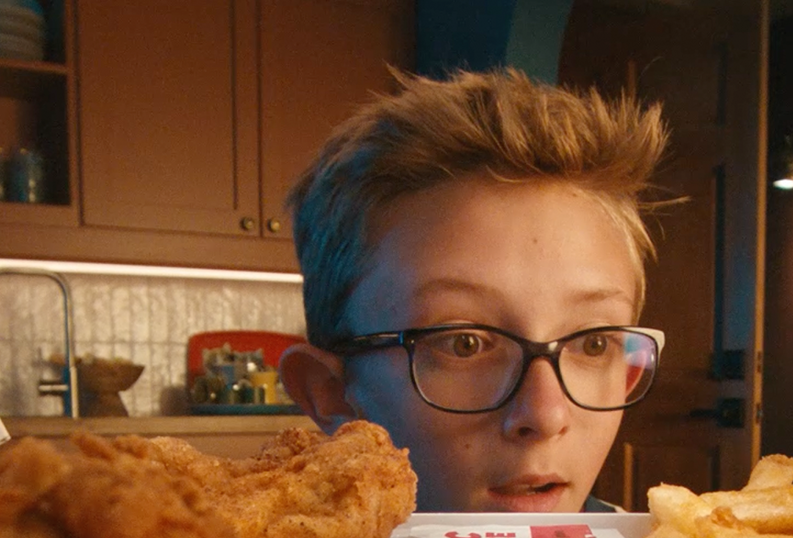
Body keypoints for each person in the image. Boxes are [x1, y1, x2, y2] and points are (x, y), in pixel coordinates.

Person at [278, 69, 669, 514]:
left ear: (627, 376)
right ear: (330, 392)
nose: (545, 416)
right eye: (463, 344)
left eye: (593, 343)